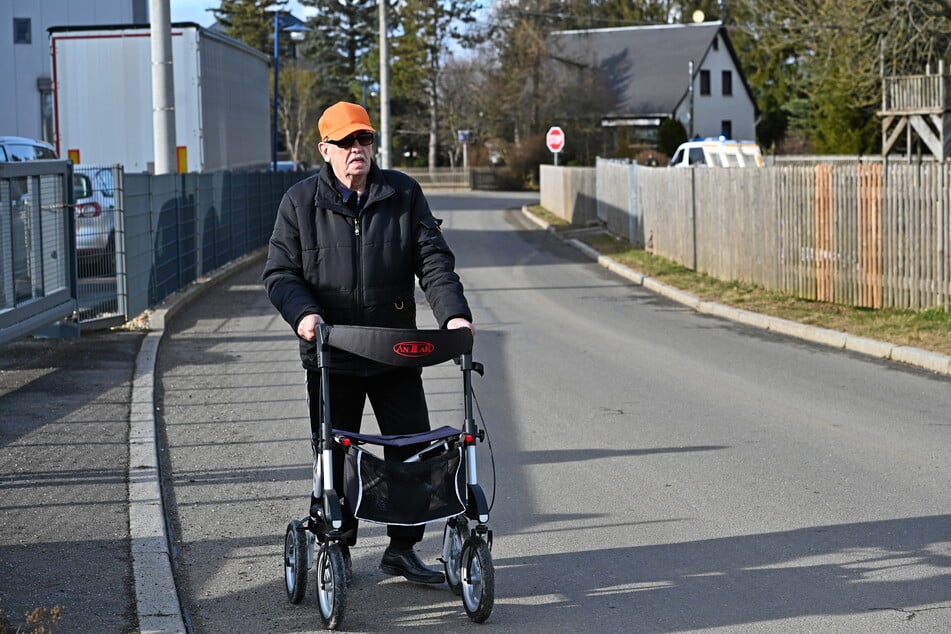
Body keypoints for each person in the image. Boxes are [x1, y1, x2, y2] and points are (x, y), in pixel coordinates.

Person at [263, 101, 474, 585]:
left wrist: (454, 316)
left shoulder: (402, 192)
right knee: (336, 455)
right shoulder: (299, 203)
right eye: (346, 142)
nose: (357, 150)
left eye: (364, 140)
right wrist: (304, 314)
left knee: (413, 453)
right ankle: (337, 544)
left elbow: (433, 260)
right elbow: (280, 273)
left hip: (394, 351)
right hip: (333, 352)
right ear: (325, 149)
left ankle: (402, 549)